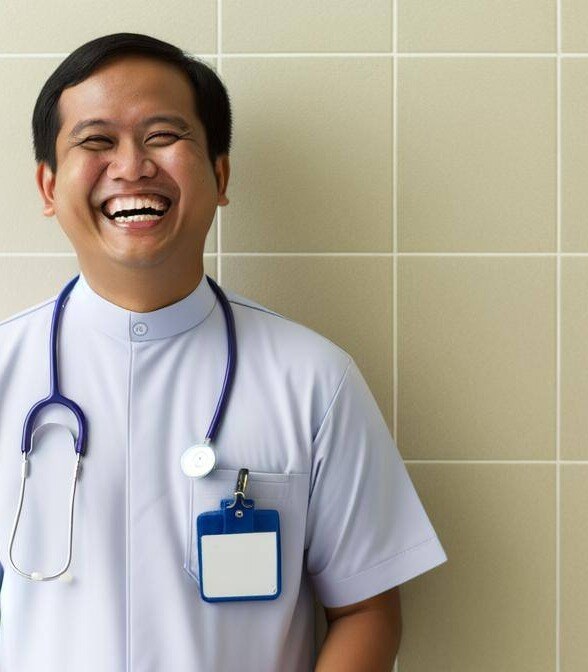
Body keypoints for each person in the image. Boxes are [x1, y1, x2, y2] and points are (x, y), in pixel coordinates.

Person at [0, 32, 446, 671]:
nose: (131, 167)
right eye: (96, 141)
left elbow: (367, 610)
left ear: (220, 174)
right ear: (48, 187)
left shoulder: (313, 379)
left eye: (162, 136)